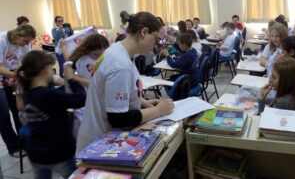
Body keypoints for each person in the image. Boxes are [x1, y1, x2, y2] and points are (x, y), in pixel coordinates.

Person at [76, 12, 174, 153]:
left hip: (104, 139)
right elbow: (118, 118)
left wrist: (144, 102)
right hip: (100, 144)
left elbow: (118, 92)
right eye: (156, 40)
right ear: (144, 32)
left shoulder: (117, 51)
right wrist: (157, 111)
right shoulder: (119, 64)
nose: (156, 45)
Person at [16, 50, 86, 179]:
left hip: (35, 152)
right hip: (57, 152)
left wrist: (62, 83)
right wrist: (71, 79)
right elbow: (80, 99)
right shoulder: (48, 95)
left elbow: (55, 97)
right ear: (45, 69)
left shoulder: (29, 92)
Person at [0, 24, 36, 157]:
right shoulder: (1, 41)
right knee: (3, 116)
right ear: (17, 35)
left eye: (28, 42)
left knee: (19, 111)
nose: (26, 44)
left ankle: (25, 143)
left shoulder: (24, 45)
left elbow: (25, 63)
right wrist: (18, 75)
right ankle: (13, 147)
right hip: (1, 81)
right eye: (25, 41)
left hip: (13, 79)